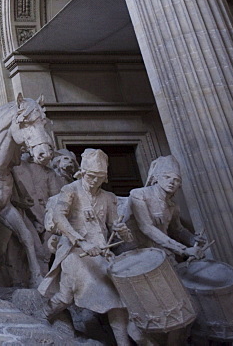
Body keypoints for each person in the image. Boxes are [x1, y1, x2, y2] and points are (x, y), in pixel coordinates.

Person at [39, 148, 134, 346]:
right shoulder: (70, 191)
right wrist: (81, 241)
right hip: (75, 252)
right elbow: (59, 217)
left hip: (101, 254)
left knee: (117, 301)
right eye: (91, 176)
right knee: (66, 296)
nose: (94, 181)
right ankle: (43, 316)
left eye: (99, 177)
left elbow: (115, 226)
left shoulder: (108, 197)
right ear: (82, 173)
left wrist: (121, 229)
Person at [127, 155, 204, 259]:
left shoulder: (173, 207)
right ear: (156, 178)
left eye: (176, 180)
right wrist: (183, 249)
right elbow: (146, 227)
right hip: (139, 252)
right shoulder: (139, 194)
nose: (171, 182)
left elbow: (178, 229)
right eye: (167, 177)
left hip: (163, 251)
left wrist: (192, 239)